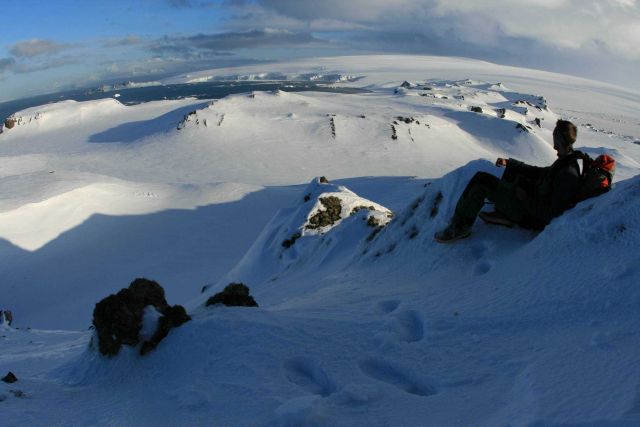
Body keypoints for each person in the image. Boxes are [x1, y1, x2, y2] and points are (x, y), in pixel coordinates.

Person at [435, 119, 581, 243]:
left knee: (481, 181)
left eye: (556, 138)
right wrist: (511, 164)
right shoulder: (565, 162)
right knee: (514, 174)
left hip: (528, 216)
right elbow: (540, 172)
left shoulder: (567, 174)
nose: (554, 145)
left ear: (562, 140)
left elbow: (551, 214)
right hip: (530, 204)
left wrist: (525, 199)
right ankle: (502, 212)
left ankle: (460, 227)